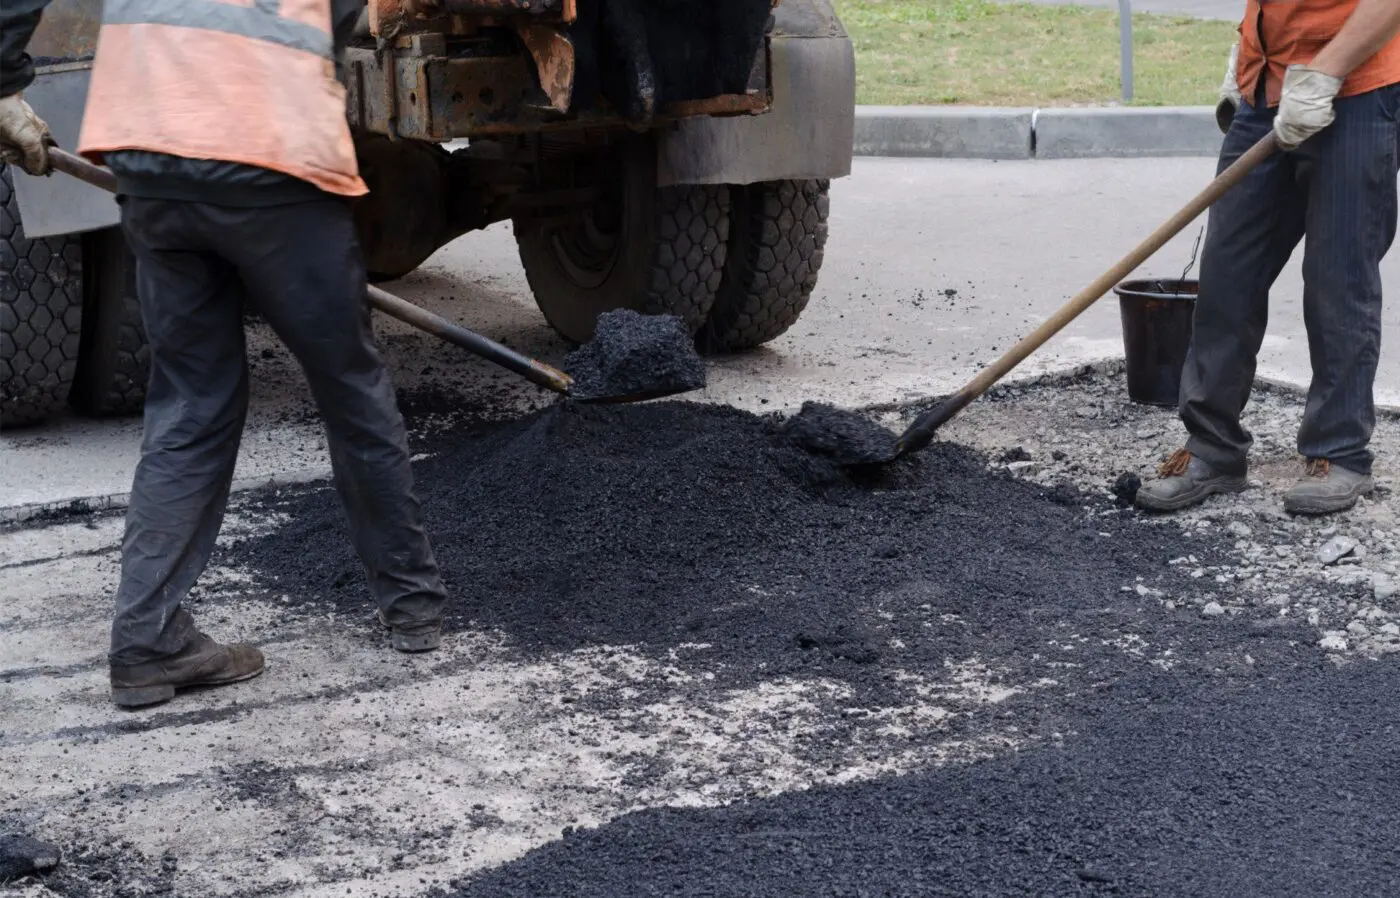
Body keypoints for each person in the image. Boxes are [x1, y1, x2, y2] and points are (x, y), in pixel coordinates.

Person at [0, 0, 448, 708]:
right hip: (270, 152)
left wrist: (2, 79)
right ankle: (413, 607)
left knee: (191, 402)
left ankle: (145, 642)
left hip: (149, 156)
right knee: (349, 386)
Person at [1137, 0, 1400, 516]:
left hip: (1359, 90)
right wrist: (1247, 52)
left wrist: (1326, 71)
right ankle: (1213, 448)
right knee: (1226, 276)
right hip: (1267, 86)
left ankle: (1338, 453)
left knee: (1337, 282)